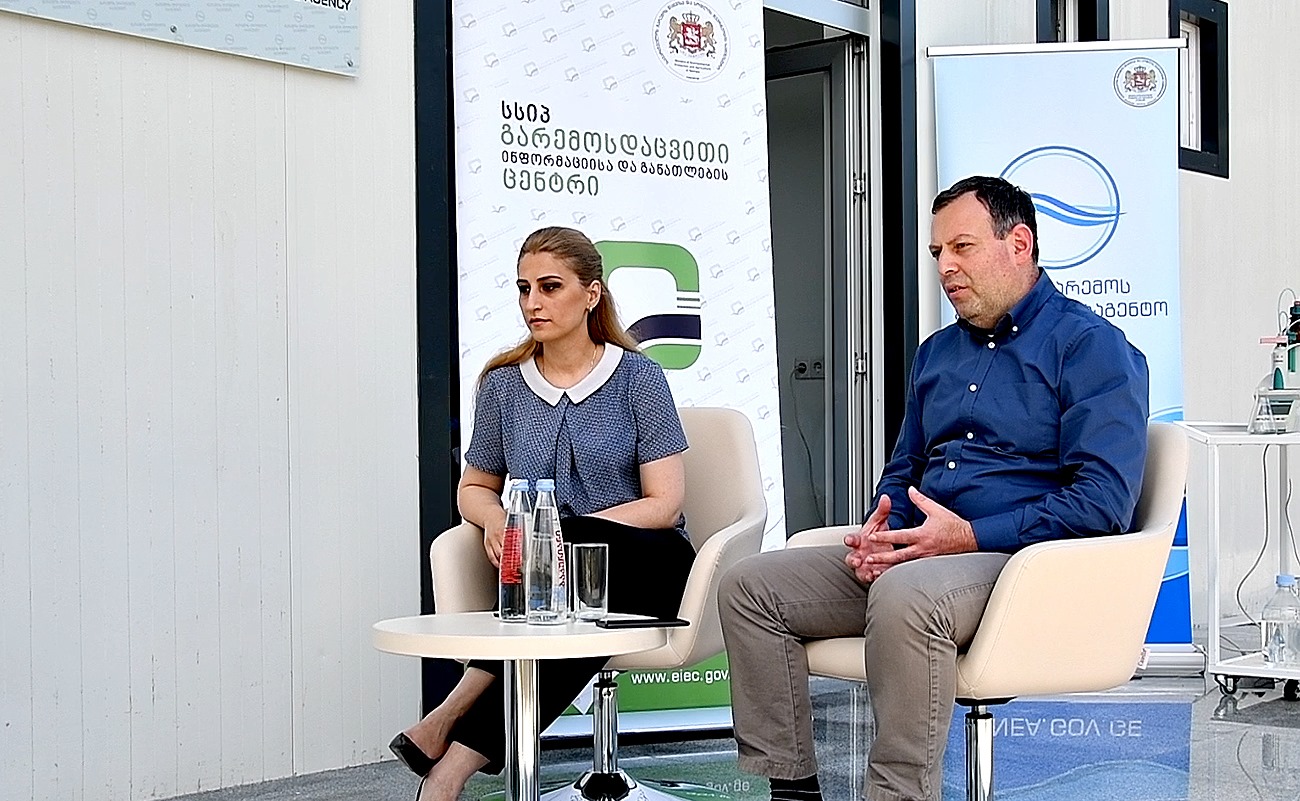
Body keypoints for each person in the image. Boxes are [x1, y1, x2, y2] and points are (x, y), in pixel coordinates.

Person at [718, 176, 1150, 801]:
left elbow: (1102, 504)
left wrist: (968, 535)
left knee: (906, 596)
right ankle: (791, 790)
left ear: (1019, 243)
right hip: (922, 554)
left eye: (962, 248)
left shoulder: (1090, 347)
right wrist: (882, 531)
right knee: (750, 586)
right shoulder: (936, 353)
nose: (945, 267)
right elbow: (905, 468)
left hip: (1021, 562)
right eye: (937, 253)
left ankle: (898, 795)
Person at [390, 227, 697, 801]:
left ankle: (451, 714)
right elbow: (474, 488)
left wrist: (556, 535)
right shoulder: (503, 385)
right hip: (542, 577)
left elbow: (664, 505)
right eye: (524, 288)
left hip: (648, 565)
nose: (533, 302)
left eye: (550, 287)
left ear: (591, 294)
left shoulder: (639, 378)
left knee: (558, 567)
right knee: (564, 615)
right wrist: (499, 522)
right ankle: (450, 770)